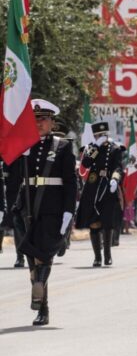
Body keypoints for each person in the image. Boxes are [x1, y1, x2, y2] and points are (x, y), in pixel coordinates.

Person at [4, 99, 77, 326]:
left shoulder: (62, 147)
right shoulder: (25, 146)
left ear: (52, 122)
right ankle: (42, 304)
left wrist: (68, 211)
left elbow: (70, 182)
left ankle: (40, 298)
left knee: (44, 254)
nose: (39, 123)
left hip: (52, 208)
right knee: (32, 261)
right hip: (28, 207)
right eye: (35, 119)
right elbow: (13, 177)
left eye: (43, 119)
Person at [75, 121, 125, 267]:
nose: (101, 137)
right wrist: (96, 146)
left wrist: (115, 179)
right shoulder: (91, 147)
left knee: (107, 222)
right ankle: (97, 257)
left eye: (103, 134)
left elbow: (118, 167)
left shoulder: (115, 148)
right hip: (93, 185)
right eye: (98, 135)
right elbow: (85, 164)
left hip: (108, 185)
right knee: (94, 222)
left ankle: (107, 255)